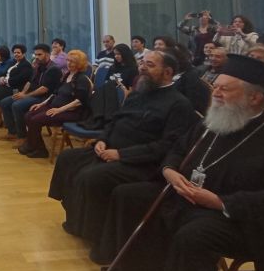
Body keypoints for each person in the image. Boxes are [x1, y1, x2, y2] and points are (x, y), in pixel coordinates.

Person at [107, 55, 264, 271]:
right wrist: (170, 171)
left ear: (255, 98)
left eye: (224, 89)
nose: (215, 93)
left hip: (238, 219)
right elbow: (177, 150)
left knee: (193, 235)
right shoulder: (211, 124)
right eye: (215, 86)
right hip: (189, 200)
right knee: (129, 196)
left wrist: (219, 202)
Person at [48, 50, 196, 251]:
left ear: (168, 72)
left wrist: (121, 155)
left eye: (150, 65)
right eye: (142, 63)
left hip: (141, 162)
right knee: (67, 159)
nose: (142, 68)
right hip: (111, 149)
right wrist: (102, 140)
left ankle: (95, 233)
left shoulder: (179, 104)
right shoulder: (138, 93)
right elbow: (115, 120)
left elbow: (167, 146)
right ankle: (76, 220)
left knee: (91, 176)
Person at [18, 50, 93, 158]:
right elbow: (55, 93)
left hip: (71, 112)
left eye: (72, 61)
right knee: (28, 115)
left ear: (79, 64)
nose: (68, 63)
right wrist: (42, 104)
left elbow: (79, 101)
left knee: (35, 120)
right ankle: (36, 146)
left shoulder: (82, 79)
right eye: (68, 60)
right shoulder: (66, 75)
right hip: (56, 106)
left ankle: (37, 149)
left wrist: (59, 110)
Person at [0, 44, 62, 145]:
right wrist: (23, 92)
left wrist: (26, 96)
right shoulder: (38, 66)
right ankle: (12, 132)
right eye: (35, 54)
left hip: (44, 98)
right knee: (5, 102)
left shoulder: (53, 69)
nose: (36, 57)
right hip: (32, 94)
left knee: (17, 105)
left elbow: (44, 89)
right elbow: (29, 82)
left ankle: (23, 136)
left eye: (39, 54)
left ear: (47, 54)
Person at [0, 44, 32, 127]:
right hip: (7, 84)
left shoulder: (25, 65)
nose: (16, 54)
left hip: (15, 88)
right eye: (14, 53)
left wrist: (4, 80)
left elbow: (18, 79)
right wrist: (2, 77)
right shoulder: (17, 63)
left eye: (18, 53)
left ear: (23, 53)